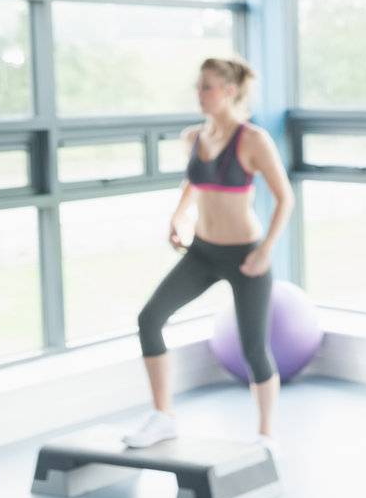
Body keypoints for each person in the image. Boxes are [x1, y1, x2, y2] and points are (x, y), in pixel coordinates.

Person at [125, 57, 293, 449]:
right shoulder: (194, 137)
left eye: (207, 86)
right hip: (202, 252)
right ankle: (162, 416)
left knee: (254, 347)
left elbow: (286, 198)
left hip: (245, 256)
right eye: (199, 86)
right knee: (149, 319)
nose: (199, 94)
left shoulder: (253, 140)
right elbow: (195, 181)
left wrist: (266, 250)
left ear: (229, 91)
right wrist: (178, 215)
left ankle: (266, 435)